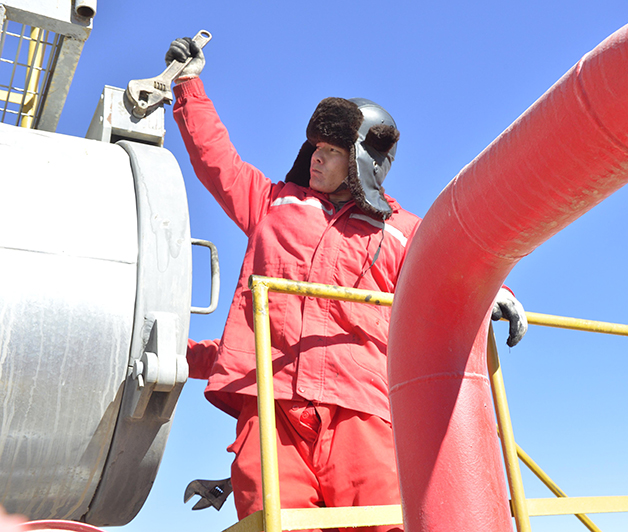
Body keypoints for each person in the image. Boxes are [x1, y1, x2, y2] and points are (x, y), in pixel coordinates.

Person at [166, 37, 528, 529]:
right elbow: (215, 158)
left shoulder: (402, 233)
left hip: (359, 406)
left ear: (364, 163)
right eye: (315, 147)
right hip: (271, 407)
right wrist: (188, 86)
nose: (316, 158)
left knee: (380, 520)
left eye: (332, 151)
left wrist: (496, 295)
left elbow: (456, 266)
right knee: (272, 520)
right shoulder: (272, 203)